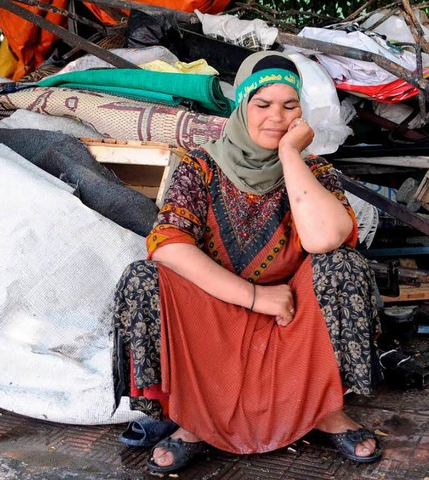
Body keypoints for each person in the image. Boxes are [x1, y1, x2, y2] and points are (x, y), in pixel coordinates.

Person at [112, 50, 383, 474]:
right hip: (213, 317)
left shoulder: (315, 171)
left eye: (290, 105)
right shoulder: (200, 166)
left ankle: (327, 411)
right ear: (241, 104)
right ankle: (192, 420)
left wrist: (292, 157)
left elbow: (326, 237)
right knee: (142, 279)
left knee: (342, 265)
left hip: (290, 319)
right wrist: (255, 297)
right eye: (262, 104)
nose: (276, 116)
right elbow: (167, 244)